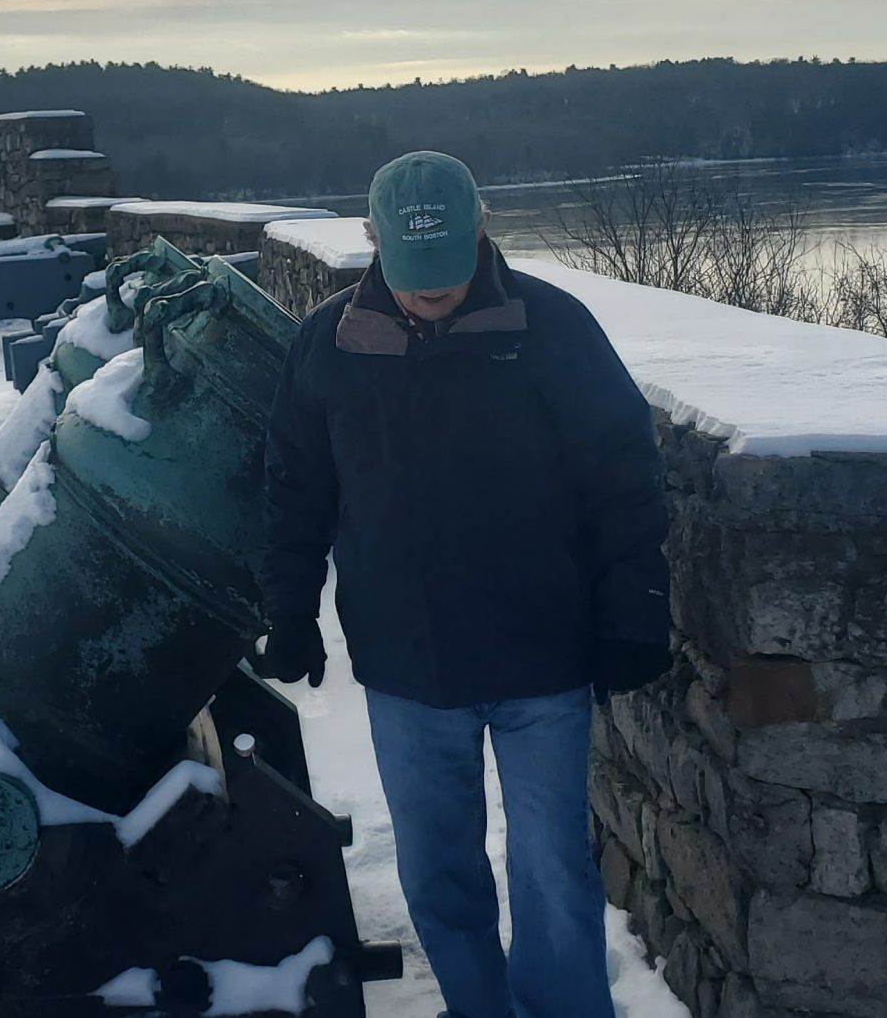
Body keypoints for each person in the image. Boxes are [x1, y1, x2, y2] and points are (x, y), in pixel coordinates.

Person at [254, 150, 672, 1018]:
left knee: (551, 867)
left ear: (482, 227)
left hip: (541, 656)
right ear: (372, 242)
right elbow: (295, 489)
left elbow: (624, 473)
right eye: (413, 278)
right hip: (407, 665)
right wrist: (288, 609)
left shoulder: (553, 327)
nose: (430, 295)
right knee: (438, 868)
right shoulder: (329, 344)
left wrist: (634, 607)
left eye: (444, 273)